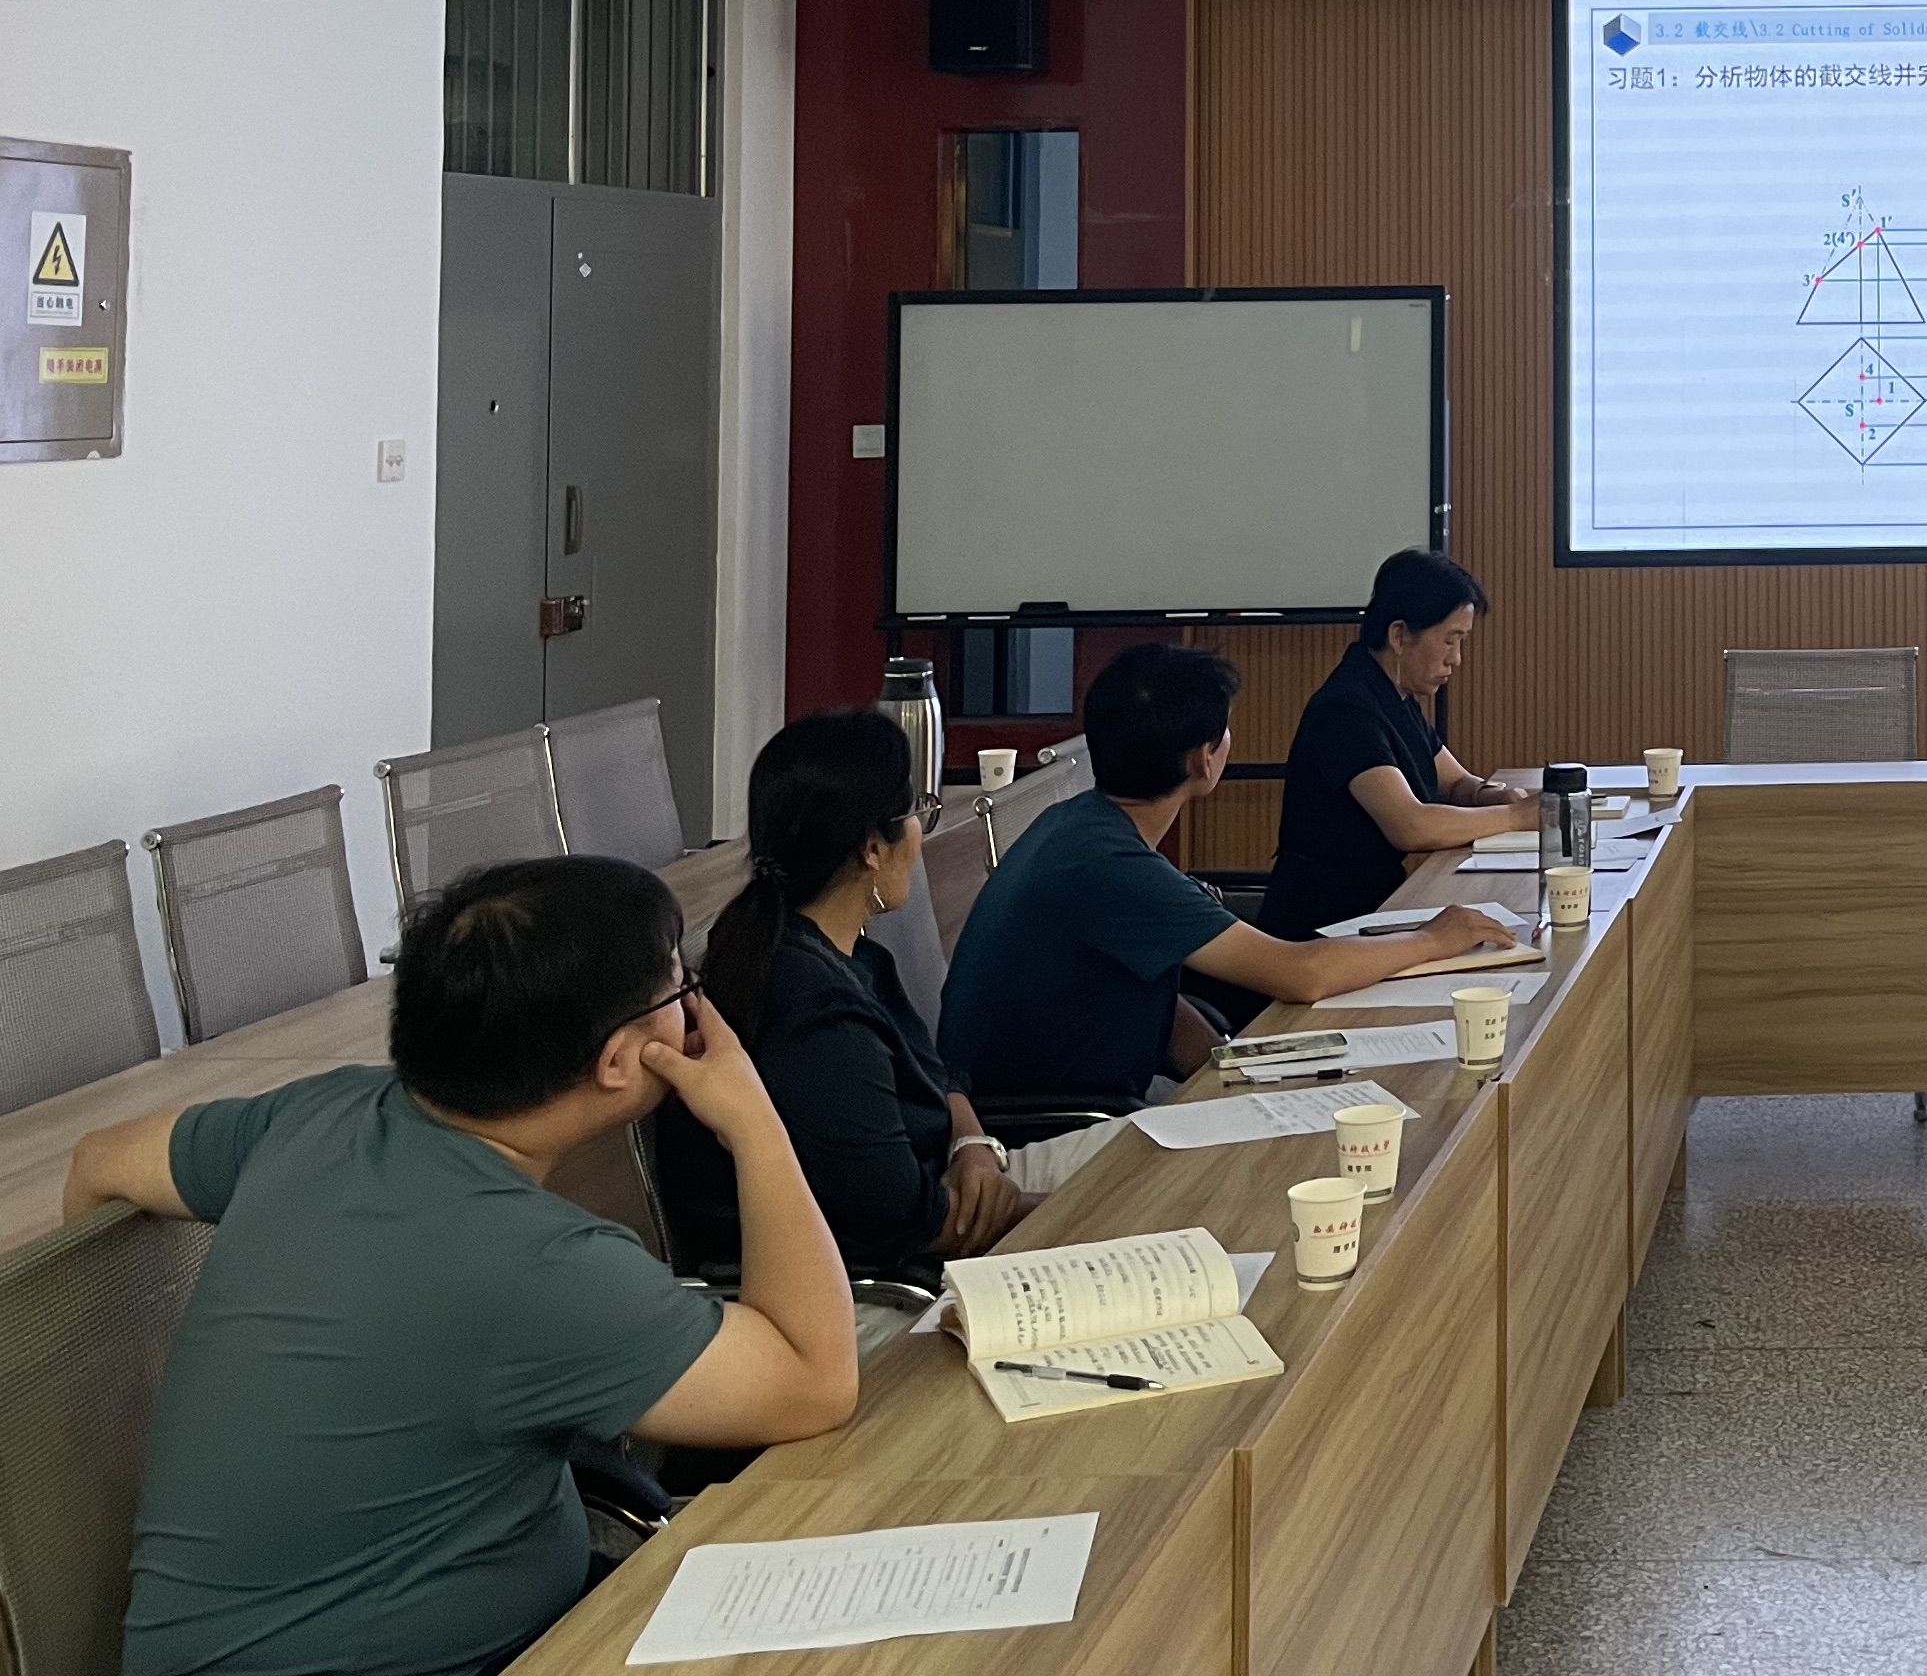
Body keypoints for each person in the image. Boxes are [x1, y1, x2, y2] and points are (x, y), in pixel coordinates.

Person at [67, 857, 858, 1676]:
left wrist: (115, 1420)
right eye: (678, 987)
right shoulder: (539, 1267)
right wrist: (752, 1118)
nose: (694, 1006)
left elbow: (98, 1162)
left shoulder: (323, 1113)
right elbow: (816, 1380)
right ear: (621, 1061)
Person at [939, 641, 1518, 1116]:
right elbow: (1301, 974)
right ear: (1205, 759)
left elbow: (1156, 1000)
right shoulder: (1111, 865)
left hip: (1066, 1093)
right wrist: (1436, 938)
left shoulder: (1076, 825)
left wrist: (1232, 1064)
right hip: (1036, 1128)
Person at [657, 709, 1102, 1296]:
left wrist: (972, 1147)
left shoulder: (852, 956)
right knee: (1135, 1202)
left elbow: (939, 1076)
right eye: (916, 812)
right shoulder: (812, 1009)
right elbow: (904, 1222)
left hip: (953, 1181)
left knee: (1150, 1152)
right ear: (871, 848)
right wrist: (1087, 1217)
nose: (921, 831)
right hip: (881, 1276)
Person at [1259, 551, 1541, 943]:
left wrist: (1491, 794)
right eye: (1449, 641)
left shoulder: (1395, 695)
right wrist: (1514, 817)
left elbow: (1454, 782)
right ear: (1399, 636)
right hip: (1324, 927)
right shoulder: (1346, 709)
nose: (1456, 659)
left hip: (1374, 911)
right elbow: (1410, 826)